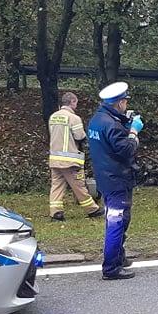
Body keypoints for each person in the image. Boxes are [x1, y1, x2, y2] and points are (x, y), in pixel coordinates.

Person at [87, 82, 143, 281]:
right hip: (117, 179)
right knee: (117, 221)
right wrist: (134, 131)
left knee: (119, 219)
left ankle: (118, 256)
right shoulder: (111, 124)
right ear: (119, 103)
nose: (126, 105)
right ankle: (111, 268)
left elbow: (109, 145)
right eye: (125, 101)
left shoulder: (97, 120)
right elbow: (126, 149)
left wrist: (125, 125)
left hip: (105, 177)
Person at [47, 92, 102, 221]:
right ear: (72, 102)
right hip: (70, 160)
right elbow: (80, 136)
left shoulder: (53, 117)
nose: (76, 105)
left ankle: (56, 212)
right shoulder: (73, 118)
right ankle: (92, 209)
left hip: (55, 158)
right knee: (79, 185)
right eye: (76, 102)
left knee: (57, 186)